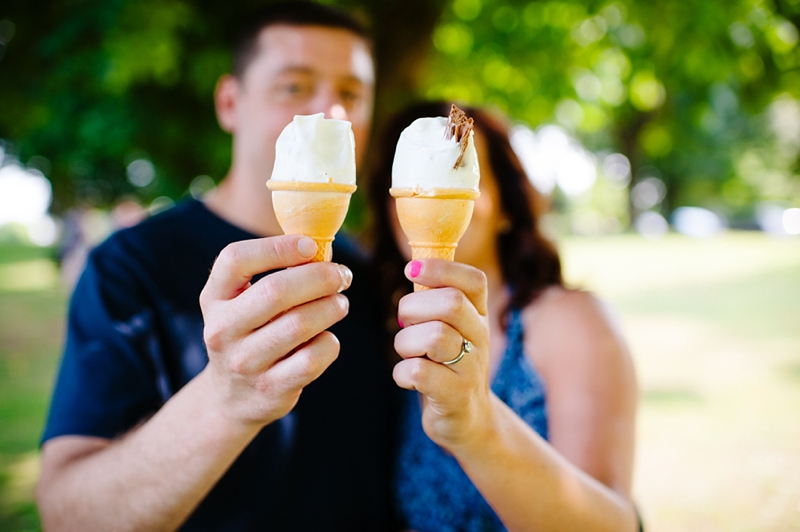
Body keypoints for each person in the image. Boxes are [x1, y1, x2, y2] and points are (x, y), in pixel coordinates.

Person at [37, 3, 397, 530]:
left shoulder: (376, 274)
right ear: (230, 103)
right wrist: (225, 400)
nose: (332, 114)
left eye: (352, 93)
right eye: (294, 87)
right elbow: (68, 516)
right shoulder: (130, 267)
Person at [368, 102, 641, 531]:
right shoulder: (388, 326)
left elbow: (614, 525)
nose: (426, 190)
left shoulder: (570, 322)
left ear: (506, 206)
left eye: (455, 169)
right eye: (409, 174)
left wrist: (476, 427)